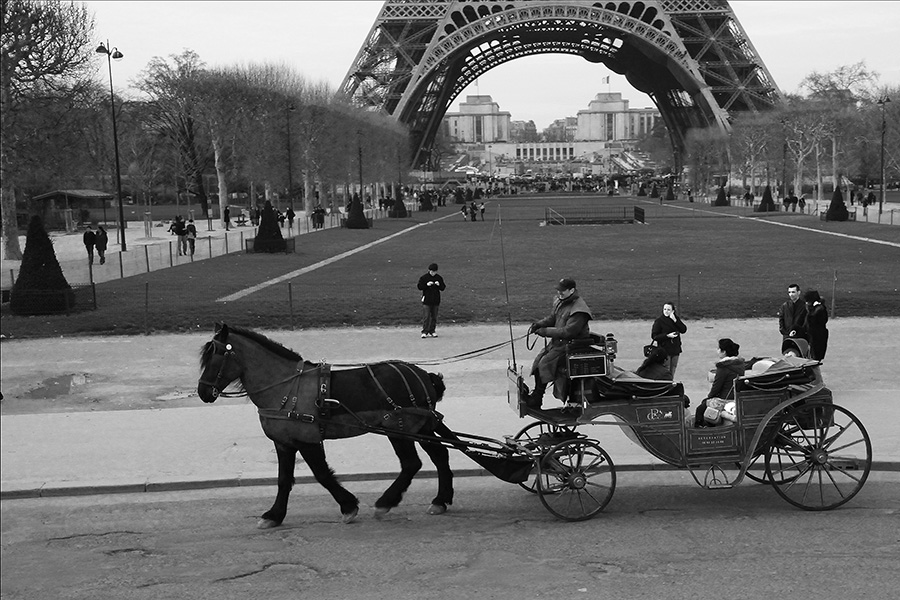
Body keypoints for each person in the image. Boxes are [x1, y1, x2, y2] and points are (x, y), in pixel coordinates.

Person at [526, 278, 593, 409]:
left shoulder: (579, 310)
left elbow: (568, 332)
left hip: (571, 346)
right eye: (558, 290)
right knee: (538, 361)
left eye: (562, 290)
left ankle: (537, 398)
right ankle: (536, 395)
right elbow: (553, 318)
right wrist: (539, 324)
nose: (559, 293)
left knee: (545, 363)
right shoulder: (561, 302)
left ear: (572, 290)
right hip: (559, 344)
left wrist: (545, 331)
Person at [693, 338, 745, 427]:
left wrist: (708, 398)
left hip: (724, 399)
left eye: (718, 349)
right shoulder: (739, 364)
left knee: (700, 408)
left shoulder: (723, 367)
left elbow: (716, 387)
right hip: (735, 397)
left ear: (723, 352)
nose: (717, 350)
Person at [650, 302, 687, 376]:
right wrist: (667, 336)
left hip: (675, 349)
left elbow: (683, 330)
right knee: (666, 369)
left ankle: (670, 384)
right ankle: (665, 384)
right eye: (664, 309)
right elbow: (655, 336)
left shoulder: (675, 319)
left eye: (668, 309)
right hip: (664, 349)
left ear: (673, 311)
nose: (666, 311)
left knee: (673, 368)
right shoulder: (659, 321)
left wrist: (675, 321)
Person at [417, 263, 446, 338]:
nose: (433, 273)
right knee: (426, 317)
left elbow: (443, 288)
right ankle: (425, 331)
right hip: (427, 300)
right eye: (432, 271)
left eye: (435, 272)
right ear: (429, 270)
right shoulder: (424, 278)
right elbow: (420, 287)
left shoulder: (439, 278)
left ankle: (432, 330)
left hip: (436, 300)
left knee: (434, 317)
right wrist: (427, 285)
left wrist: (439, 284)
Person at [803, 289, 829, 361]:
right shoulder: (815, 308)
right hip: (811, 336)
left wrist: (810, 309)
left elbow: (812, 320)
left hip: (817, 337)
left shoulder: (820, 309)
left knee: (815, 359)